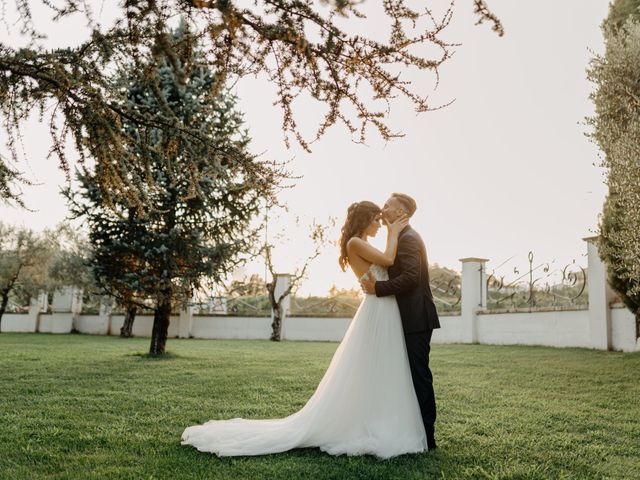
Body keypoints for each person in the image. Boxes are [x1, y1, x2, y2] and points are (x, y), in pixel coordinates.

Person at [181, 200, 430, 458]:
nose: (380, 224)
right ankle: (369, 423)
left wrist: (392, 235)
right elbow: (389, 259)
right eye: (376, 219)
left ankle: (379, 417)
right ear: (366, 219)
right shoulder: (356, 243)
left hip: (384, 309)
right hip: (378, 310)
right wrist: (393, 232)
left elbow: (389, 266)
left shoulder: (364, 243)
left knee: (383, 367)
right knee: (374, 365)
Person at [360, 193, 440, 449]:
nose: (383, 210)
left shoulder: (408, 239)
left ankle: (427, 438)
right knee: (407, 376)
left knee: (419, 377)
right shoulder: (400, 236)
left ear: (400, 212)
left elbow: (411, 279)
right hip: (406, 317)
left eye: (387, 206)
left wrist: (378, 288)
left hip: (415, 318)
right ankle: (410, 431)